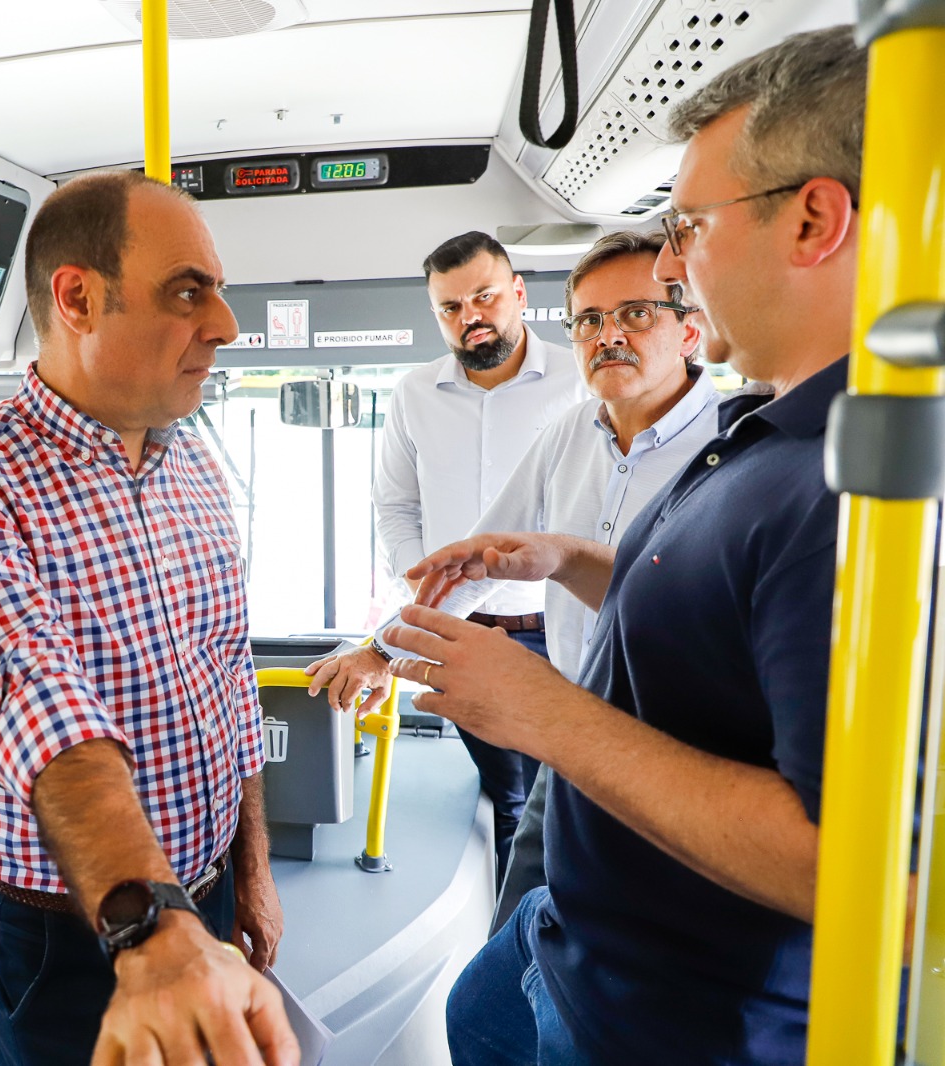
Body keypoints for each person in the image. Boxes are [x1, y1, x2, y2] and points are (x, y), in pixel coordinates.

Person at [393, 26, 865, 1065]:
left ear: (812, 220)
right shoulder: (770, 429)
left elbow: (852, 867)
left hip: (676, 1018)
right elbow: (719, 627)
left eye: (688, 224)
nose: (668, 262)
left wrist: (544, 714)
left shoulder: (853, 487)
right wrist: (566, 560)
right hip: (580, 932)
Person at [0, 170, 298, 1066]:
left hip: (203, 899)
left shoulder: (197, 464)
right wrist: (150, 922)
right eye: (188, 291)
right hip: (66, 934)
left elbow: (229, 678)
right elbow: (30, 698)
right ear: (77, 298)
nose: (225, 325)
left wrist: (251, 873)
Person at [310, 230, 720, 930]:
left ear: (691, 330)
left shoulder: (729, 446)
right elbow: (481, 559)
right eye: (590, 320)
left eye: (636, 313)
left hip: (679, 751)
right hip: (566, 719)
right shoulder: (567, 435)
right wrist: (380, 651)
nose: (607, 335)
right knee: (501, 973)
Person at [358, 231, 585, 872]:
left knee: (564, 798)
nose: (470, 318)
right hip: (462, 630)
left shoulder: (578, 381)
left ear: (517, 293)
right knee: (507, 799)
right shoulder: (413, 394)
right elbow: (396, 506)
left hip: (559, 629)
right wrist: (425, 590)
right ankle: (515, 947)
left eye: (483, 297)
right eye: (450, 308)